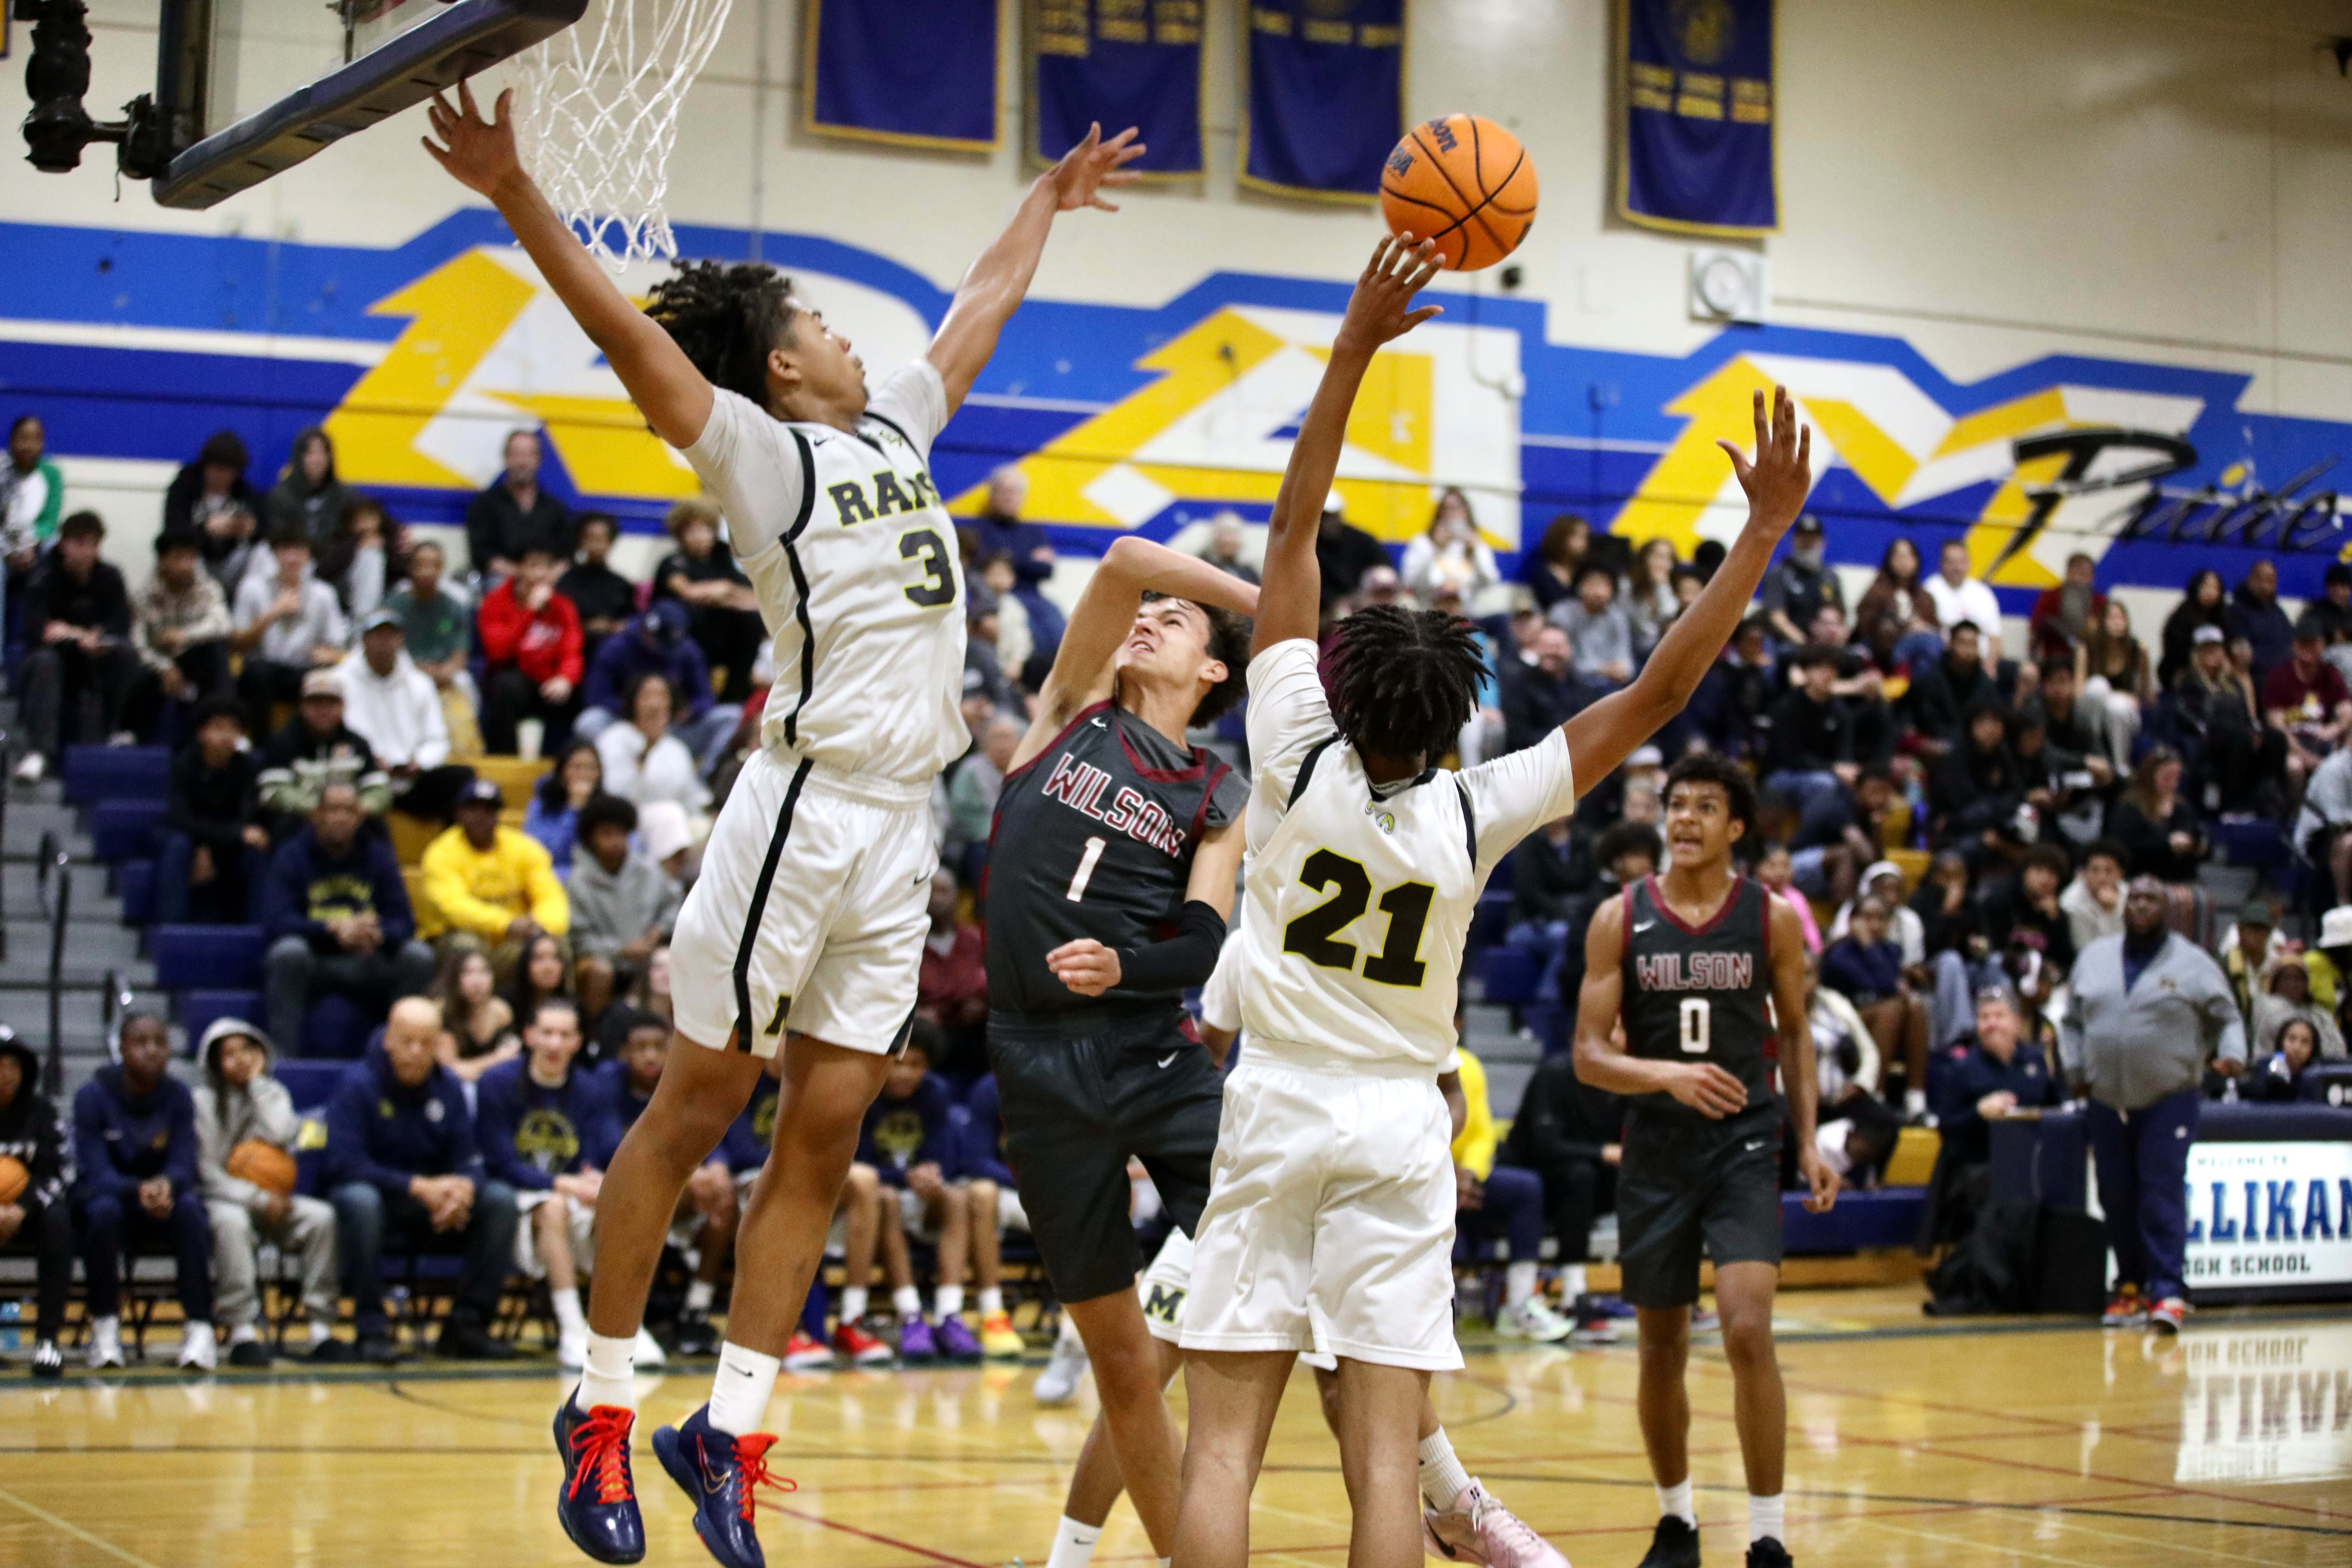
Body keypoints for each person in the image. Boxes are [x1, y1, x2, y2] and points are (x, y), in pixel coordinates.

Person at [424, 79, 1144, 1564]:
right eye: (814, 317)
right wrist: (511, 194)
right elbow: (632, 343)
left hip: (900, 832)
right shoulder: (757, 454)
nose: (840, 327)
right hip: (801, 808)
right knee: (698, 1106)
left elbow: (977, 311)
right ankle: (604, 1402)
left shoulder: (896, 427)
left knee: (824, 1127)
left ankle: (729, 1431)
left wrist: (1044, 205)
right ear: (776, 358)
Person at [1169, 239, 1815, 1568]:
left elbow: (1291, 529)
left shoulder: (1287, 742)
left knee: (1222, 1446)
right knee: (1380, 1476)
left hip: (1278, 1095)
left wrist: (1352, 343)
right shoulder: (1478, 806)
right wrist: (1755, 534)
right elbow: (1653, 695)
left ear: (1338, 689)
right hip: (1400, 1128)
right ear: (1456, 713)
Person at [982, 509, 1256, 1555]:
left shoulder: (1214, 790)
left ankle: (1435, 1479)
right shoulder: (1069, 708)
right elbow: (1124, 561)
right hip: (1034, 1061)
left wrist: (1122, 966)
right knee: (1124, 1364)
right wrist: (1249, 599)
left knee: (1299, 1271)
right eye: (1149, 618)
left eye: (1178, 623)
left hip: (1153, 1053)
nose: (1150, 619)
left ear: (1214, 675)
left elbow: (1200, 936)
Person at [1573, 752, 1836, 1568]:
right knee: (1660, 1346)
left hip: (1745, 1145)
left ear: (1736, 828)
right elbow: (1587, 1055)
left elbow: (1794, 1035)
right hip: (1656, 1149)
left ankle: (1767, 1534)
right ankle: (1677, 1521)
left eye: (1704, 807)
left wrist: (1809, 1138)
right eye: (1675, 805)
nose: (1683, 819)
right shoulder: (1620, 917)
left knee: (1748, 1328)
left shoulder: (1773, 918)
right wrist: (1668, 1075)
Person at [2062, 876, 2244, 1334]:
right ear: (2125, 908)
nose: (2141, 905)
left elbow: (2227, 1015)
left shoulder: (2193, 963)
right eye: (2135, 898)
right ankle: (2130, 1288)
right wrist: (2074, 1071)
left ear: (2168, 911)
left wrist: (2234, 1054)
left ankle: (2168, 1292)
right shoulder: (2095, 957)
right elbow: (2069, 1022)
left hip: (2169, 1098)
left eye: (2152, 899)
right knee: (2116, 1196)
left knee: (2160, 1192)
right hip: (2105, 1098)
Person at [327, 996, 522, 1362]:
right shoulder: (357, 1085)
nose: (416, 1051)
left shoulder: (449, 1087)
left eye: (426, 1043)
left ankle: (467, 1326)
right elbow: (344, 1163)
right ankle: (370, 1328)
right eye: (407, 1040)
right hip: (383, 1200)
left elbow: (471, 1159)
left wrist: (463, 1190)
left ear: (440, 1045)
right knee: (358, 1199)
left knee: (499, 1200)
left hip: (437, 1207)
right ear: (388, 1038)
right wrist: (418, 1187)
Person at [478, 996, 651, 1370]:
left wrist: (601, 1179)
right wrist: (562, 1184)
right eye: (547, 1033)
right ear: (529, 1036)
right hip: (516, 1197)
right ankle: (573, 1328)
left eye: (565, 1035)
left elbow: (605, 1147)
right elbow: (501, 1162)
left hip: (574, 1189)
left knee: (624, 1203)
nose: (555, 1044)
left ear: (577, 1041)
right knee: (554, 1207)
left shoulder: (592, 1088)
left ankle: (625, 1327)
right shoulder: (497, 1083)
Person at [193, 1017, 341, 1365]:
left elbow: (278, 1134)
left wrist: (259, 1084)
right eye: (229, 1054)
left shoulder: (273, 1092)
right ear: (214, 1063)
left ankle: (321, 1326)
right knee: (232, 1222)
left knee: (322, 1217)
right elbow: (207, 1172)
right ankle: (242, 1329)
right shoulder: (200, 1102)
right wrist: (257, 1198)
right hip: (226, 1199)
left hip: (275, 1199)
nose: (240, 1058)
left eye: (247, 1049)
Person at [74, 1011, 218, 1370]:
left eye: (160, 1042)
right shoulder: (92, 1096)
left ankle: (200, 1329)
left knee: (190, 1210)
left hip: (164, 1200)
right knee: (103, 1212)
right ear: (122, 1049)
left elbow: (186, 1161)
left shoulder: (179, 1096)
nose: (151, 1051)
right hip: (112, 1199)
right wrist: (138, 1189)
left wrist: (165, 1185)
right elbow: (95, 1171)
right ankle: (106, 1328)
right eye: (141, 1042)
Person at [589, 1014, 735, 1357]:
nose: (651, 1056)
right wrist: (687, 1173)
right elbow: (612, 1148)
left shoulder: (686, 1082)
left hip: (682, 1196)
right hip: (612, 1191)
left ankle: (696, 1307)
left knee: (724, 1199)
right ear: (624, 1052)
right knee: (657, 1191)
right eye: (641, 1048)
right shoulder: (607, 1084)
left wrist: (717, 1169)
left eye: (659, 1047)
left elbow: (715, 1138)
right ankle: (639, 1314)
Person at [262, 778, 436, 1051]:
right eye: (333, 810)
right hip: (316, 960)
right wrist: (332, 928)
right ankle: (284, 1062)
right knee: (287, 953)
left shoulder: (379, 856)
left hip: (368, 959)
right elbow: (276, 921)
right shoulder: (292, 855)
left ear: (359, 817)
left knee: (418, 956)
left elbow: (404, 922)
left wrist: (376, 934)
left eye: (349, 811)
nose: (341, 818)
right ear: (316, 814)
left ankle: (401, 1057)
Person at [13, 510, 135, 780]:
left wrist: (76, 633)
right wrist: (80, 638)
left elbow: (121, 624)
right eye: (79, 543)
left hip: (94, 657)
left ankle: (114, 732)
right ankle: (40, 752)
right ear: (64, 544)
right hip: (53, 660)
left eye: (93, 544)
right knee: (45, 662)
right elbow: (37, 631)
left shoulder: (110, 577)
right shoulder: (43, 577)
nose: (86, 552)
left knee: (126, 653)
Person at [418, 776, 571, 977]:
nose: (481, 816)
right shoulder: (441, 853)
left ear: (499, 814)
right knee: (466, 946)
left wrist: (542, 927)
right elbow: (452, 906)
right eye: (473, 809)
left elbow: (551, 896)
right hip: (459, 935)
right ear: (458, 813)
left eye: (489, 810)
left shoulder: (524, 847)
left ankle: (560, 1005)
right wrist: (506, 924)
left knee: (552, 943)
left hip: (513, 939)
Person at [338, 607, 470, 822]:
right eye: (377, 635)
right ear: (364, 639)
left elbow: (437, 739)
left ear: (401, 639)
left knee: (462, 778)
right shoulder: (341, 682)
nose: (384, 641)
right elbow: (336, 736)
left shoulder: (420, 684)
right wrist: (368, 760)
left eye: (391, 635)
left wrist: (420, 762)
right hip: (363, 778)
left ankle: (451, 853)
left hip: (411, 778)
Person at [576, 602, 742, 771]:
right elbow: (595, 697)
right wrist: (636, 711)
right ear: (647, 631)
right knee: (589, 721)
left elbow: (706, 698)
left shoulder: (687, 649)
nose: (666, 650)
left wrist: (687, 711)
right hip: (626, 729)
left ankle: (703, 776)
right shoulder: (616, 648)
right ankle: (615, 773)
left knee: (733, 716)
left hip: (673, 728)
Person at [568, 794, 684, 1028]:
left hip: (648, 958)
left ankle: (663, 1035)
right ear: (591, 838)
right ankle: (594, 1037)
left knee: (667, 961)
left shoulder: (649, 871)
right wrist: (621, 950)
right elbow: (579, 939)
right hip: (604, 963)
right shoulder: (577, 883)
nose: (615, 841)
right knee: (600, 970)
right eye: (606, 834)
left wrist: (659, 931)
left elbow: (676, 906)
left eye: (621, 833)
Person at [158, 694, 269, 924]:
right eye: (218, 728)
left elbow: (246, 817)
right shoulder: (184, 765)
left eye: (233, 730)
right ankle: (170, 930)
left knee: (256, 849)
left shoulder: (249, 767)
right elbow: (180, 818)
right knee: (178, 846)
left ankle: (255, 933)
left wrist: (213, 843)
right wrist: (203, 846)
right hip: (188, 837)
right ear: (202, 733)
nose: (225, 736)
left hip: (227, 843)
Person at [0, 1027, 72, 1378]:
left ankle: (47, 1339)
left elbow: (55, 1173)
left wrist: (20, 1208)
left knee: (59, 1219)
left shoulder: (42, 1112)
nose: (6, 1074)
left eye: (12, 1065)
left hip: (29, 1211)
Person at [651, 496, 766, 706]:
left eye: (705, 530)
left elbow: (752, 598)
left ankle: (735, 699)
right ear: (681, 534)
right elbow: (687, 591)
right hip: (686, 635)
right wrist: (724, 592)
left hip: (722, 635)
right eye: (693, 531)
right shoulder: (673, 562)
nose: (700, 537)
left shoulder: (723, 559)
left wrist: (728, 592)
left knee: (752, 621)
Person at [1930, 987, 2060, 1170]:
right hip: (1983, 1168)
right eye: (1984, 1018)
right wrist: (1979, 1112)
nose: (1992, 1024)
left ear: (2017, 1022)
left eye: (1999, 1016)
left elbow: (2061, 1108)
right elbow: (1945, 1126)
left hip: (2035, 1162)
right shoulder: (1962, 1068)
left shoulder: (2037, 1060)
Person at [124, 525, 233, 741]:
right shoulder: (143, 595)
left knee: (216, 651)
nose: (186, 566)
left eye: (191, 558)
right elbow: (138, 643)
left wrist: (184, 635)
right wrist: (165, 668)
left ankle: (223, 728)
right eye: (178, 558)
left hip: (193, 661)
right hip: (156, 666)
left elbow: (222, 625)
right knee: (130, 666)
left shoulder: (208, 588)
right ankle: (132, 738)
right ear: (163, 561)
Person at [478, 540, 584, 756]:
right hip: (511, 677)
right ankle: (505, 762)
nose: (541, 574)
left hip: (547, 681)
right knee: (508, 686)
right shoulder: (495, 602)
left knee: (578, 692)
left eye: (547, 567)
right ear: (519, 568)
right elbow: (498, 653)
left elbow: (572, 651)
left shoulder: (564, 607)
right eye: (534, 566)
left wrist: (565, 679)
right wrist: (528, 613)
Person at [231, 524, 350, 713]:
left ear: (308, 556)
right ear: (274, 555)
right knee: (258, 673)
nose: (292, 558)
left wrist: (329, 654)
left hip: (302, 670)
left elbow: (337, 645)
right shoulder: (252, 588)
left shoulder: (324, 594)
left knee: (322, 681)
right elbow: (237, 643)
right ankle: (262, 740)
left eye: (299, 551)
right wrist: (272, 614)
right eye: (286, 551)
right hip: (261, 669)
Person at [256, 668, 385, 828]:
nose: (324, 710)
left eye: (331, 703)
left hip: (351, 825)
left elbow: (379, 789)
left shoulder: (358, 744)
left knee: (377, 828)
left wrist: (359, 809)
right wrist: (320, 811)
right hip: (300, 823)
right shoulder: (282, 743)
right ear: (302, 705)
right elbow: (273, 791)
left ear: (343, 706)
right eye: (316, 703)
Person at [382, 538, 478, 727]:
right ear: (411, 568)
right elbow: (389, 652)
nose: (427, 571)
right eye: (421, 565)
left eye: (433, 565)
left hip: (443, 673)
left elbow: (460, 656)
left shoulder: (455, 607)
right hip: (404, 671)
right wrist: (420, 671)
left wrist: (445, 671)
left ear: (441, 569)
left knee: (464, 681)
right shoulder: (393, 606)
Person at [594, 671, 711, 817]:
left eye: (662, 696)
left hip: (673, 825)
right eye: (646, 696)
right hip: (625, 821)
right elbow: (613, 793)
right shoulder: (613, 740)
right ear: (634, 702)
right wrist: (645, 754)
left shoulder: (678, 750)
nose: (654, 704)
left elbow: (691, 797)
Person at [2264, 611, 2352, 795]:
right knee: (2294, 767)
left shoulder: (2330, 674)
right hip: (2291, 745)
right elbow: (2277, 725)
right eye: (2303, 643)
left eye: (2313, 643)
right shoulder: (2280, 676)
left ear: (2322, 646)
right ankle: (2295, 813)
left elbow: (2347, 712)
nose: (2308, 648)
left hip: (2322, 742)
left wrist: (2335, 729)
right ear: (2294, 645)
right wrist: (2308, 758)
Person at [164, 429, 264, 590]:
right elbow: (171, 531)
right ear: (206, 467)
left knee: (261, 552)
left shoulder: (245, 494)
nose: (222, 476)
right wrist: (205, 529)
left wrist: (251, 529)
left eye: (228, 471)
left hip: (231, 564)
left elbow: (267, 529)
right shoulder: (183, 488)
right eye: (217, 469)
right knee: (186, 555)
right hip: (196, 559)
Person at [468, 428, 570, 580]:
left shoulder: (555, 508)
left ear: (538, 460)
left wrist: (547, 577)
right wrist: (522, 576)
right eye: (516, 454)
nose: (522, 462)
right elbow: (482, 554)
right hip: (502, 581)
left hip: (546, 581)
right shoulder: (484, 505)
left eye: (529, 455)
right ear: (506, 458)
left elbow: (567, 556)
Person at [913, 868, 986, 1074]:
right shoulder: (910, 944)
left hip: (974, 1034)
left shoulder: (976, 941)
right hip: (927, 1036)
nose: (938, 899)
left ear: (957, 895)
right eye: (932, 892)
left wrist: (983, 1001)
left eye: (944, 892)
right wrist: (917, 1014)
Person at [2106, 746, 2205, 884]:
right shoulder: (2130, 806)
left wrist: (2197, 845)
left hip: (2181, 877)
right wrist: (2166, 845)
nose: (2173, 784)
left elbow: (2199, 837)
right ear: (2151, 775)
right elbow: (2124, 847)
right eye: (2167, 777)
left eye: (2176, 777)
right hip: (2141, 875)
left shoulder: (2181, 806)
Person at [1903, 620, 2001, 758]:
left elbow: (1992, 718)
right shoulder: (1930, 681)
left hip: (1977, 750)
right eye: (1963, 643)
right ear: (1951, 644)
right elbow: (1928, 722)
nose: (1968, 650)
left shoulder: (1986, 685)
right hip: (1940, 748)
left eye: (1973, 645)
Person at [1498, 624, 1590, 755]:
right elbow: (1518, 736)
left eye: (1557, 647)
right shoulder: (1520, 685)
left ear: (1568, 650)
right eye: (1545, 647)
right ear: (1536, 650)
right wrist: (1564, 742)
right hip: (1536, 760)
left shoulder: (1582, 687)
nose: (1551, 652)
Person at [434, 946, 522, 1083]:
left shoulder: (501, 1011)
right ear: (454, 978)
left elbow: (513, 1061)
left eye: (484, 972)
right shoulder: (442, 1012)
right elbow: (451, 1072)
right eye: (467, 973)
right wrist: (497, 1058)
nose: (477, 981)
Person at [561, 512, 642, 660]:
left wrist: (613, 626)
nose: (597, 545)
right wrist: (587, 626)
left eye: (602, 539)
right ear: (581, 542)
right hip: (576, 647)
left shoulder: (622, 584)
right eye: (591, 538)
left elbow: (632, 619)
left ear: (611, 542)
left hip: (613, 647)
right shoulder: (567, 581)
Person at [1759, 514, 1842, 649]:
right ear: (1793, 540)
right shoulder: (1779, 574)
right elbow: (1777, 617)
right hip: (1788, 644)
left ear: (1822, 542)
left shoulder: (1830, 577)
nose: (1808, 543)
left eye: (1813, 538)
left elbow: (1840, 615)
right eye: (1803, 537)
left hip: (1825, 645)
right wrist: (1806, 645)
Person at [1400, 487, 1498, 602]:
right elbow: (1410, 582)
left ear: (1466, 513)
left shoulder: (1477, 546)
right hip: (1430, 611)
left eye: (1457, 509)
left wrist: (1475, 552)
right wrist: (1435, 549)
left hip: (1465, 613)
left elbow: (1490, 583)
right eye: (1447, 509)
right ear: (1439, 513)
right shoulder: (1423, 543)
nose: (1451, 515)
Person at [1550, 560, 1636, 687]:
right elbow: (1564, 661)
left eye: (1605, 585)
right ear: (1580, 586)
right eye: (1593, 583)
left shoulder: (1618, 617)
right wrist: (1602, 670)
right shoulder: (1562, 614)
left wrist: (1623, 670)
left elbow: (1626, 658)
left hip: (1613, 684)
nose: (1599, 591)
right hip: (1575, 683)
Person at [264, 427, 352, 547]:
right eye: (310, 454)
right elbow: (279, 538)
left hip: (334, 559)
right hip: (294, 557)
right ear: (299, 458)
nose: (317, 460)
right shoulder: (282, 496)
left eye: (323, 453)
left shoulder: (345, 495)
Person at [526, 742, 604, 874]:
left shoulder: (608, 806)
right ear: (562, 771)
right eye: (577, 767)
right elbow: (538, 850)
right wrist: (573, 811)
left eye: (591, 768)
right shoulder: (541, 806)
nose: (584, 774)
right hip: (551, 875)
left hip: (594, 880)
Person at [0, 414, 64, 569]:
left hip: (34, 542)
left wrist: (29, 544)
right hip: (4, 542)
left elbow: (49, 523)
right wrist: (7, 551)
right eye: (23, 438)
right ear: (11, 441)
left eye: (36, 439)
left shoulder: (51, 474)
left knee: (56, 546)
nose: (29, 445)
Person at [1312, 487, 1389, 612]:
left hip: (1364, 600)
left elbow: (1384, 567)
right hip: (1328, 611)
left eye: (1332, 516)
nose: (1328, 522)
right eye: (1324, 517)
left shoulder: (1361, 541)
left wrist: (1365, 596)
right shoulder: (1311, 547)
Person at [1923, 539, 2002, 655]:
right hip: (1944, 660)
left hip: (1980, 661)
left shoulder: (1982, 592)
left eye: (1961, 562)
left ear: (1968, 563)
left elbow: (1995, 637)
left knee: (2028, 671)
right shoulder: (1930, 590)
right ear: (1941, 564)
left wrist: (1990, 666)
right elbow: (1925, 633)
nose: (1957, 568)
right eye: (1951, 563)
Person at [2029, 552, 2102, 670]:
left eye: (2085, 574)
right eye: (2076, 573)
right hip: (2056, 659)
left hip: (2091, 661)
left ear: (2092, 577)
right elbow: (2035, 629)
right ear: (2068, 573)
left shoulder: (2100, 601)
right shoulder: (2051, 597)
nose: (2080, 579)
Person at [2158, 568, 2229, 690]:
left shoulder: (2224, 615)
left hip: (2217, 667)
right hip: (2182, 666)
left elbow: (2229, 643)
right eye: (2206, 586)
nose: (2211, 592)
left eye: (2215, 588)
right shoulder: (2182, 615)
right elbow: (2174, 649)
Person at [2227, 558, 2293, 681]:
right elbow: (2244, 655)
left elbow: (2291, 644)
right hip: (2254, 677)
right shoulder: (2236, 611)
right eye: (2263, 579)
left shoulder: (2278, 612)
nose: (2267, 585)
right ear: (2250, 580)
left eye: (2272, 580)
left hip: (2283, 675)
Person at [2060, 840, 2129, 954]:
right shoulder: (2071, 903)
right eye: (2095, 870)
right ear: (2083, 873)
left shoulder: (2129, 895)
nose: (2102, 878)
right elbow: (2085, 950)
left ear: (2121, 874)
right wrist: (2109, 913)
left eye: (2109, 871)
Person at [1195, 510, 1258, 584]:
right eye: (1223, 534)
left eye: (1231, 535)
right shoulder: (1201, 566)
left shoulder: (1247, 571)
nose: (1227, 540)